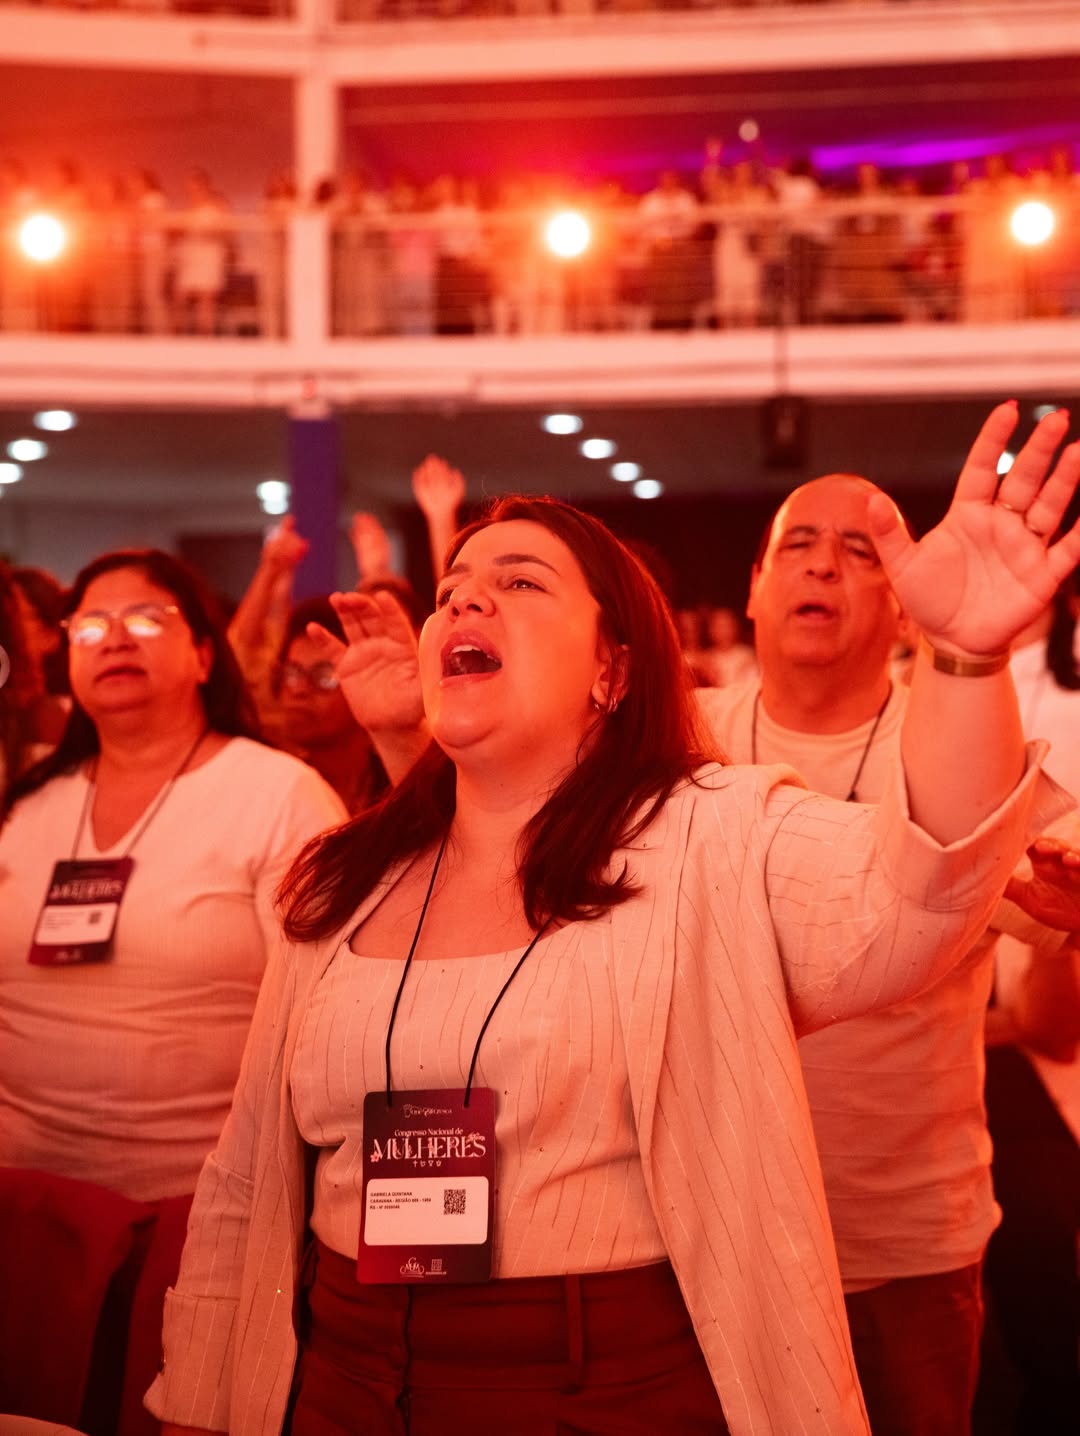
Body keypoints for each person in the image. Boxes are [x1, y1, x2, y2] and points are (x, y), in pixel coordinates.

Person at [149, 405, 1080, 1436]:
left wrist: (964, 657)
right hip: (342, 1369)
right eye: (452, 591)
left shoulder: (712, 830)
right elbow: (247, 1172)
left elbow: (922, 888)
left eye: (521, 583)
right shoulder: (339, 876)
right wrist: (201, 1397)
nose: (467, 600)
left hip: (603, 1380)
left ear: (613, 668)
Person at [695, 459, 1080, 1434]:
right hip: (706, 1239)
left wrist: (1075, 932)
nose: (822, 566)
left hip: (904, 1246)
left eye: (859, 551)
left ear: (907, 605)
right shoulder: (677, 744)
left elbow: (1053, 1020)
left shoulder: (968, 744)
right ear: (755, 586)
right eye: (798, 544)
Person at [0, 549, 346, 1429]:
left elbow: (328, 1011)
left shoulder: (277, 794)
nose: (115, 638)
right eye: (90, 623)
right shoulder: (30, 799)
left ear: (202, 653)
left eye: (147, 618)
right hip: (20, 1209)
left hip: (194, 1215)